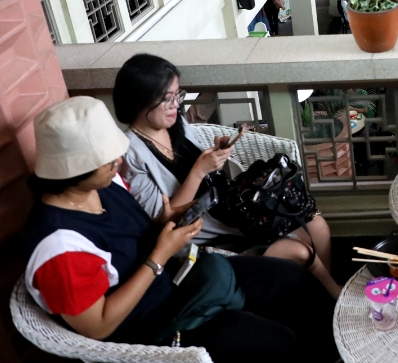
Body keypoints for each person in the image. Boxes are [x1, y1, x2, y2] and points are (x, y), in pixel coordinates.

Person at [25, 97, 337, 361]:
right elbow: (98, 326)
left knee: (294, 281)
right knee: (279, 344)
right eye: (108, 159)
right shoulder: (60, 247)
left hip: (184, 278)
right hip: (155, 324)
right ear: (76, 169)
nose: (119, 161)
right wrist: (158, 256)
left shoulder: (102, 184)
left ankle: (335, 351)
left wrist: (163, 222)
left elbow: (130, 238)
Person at [113, 55, 342, 298]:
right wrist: (199, 171)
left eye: (178, 95)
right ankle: (328, 297)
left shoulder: (176, 123)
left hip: (230, 216)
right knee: (299, 251)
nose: (175, 105)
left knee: (317, 227)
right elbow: (164, 223)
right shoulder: (130, 154)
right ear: (139, 100)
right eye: (167, 99)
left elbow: (207, 177)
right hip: (201, 240)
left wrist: (216, 154)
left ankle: (324, 295)